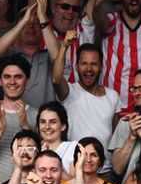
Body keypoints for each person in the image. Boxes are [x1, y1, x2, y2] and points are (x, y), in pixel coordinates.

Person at [52, 40, 121, 168]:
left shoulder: (113, 96)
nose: (89, 68)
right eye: (84, 63)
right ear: (76, 66)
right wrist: (64, 46)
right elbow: (56, 79)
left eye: (94, 64)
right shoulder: (70, 92)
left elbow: (117, 136)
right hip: (75, 167)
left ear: (101, 67)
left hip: (105, 169)